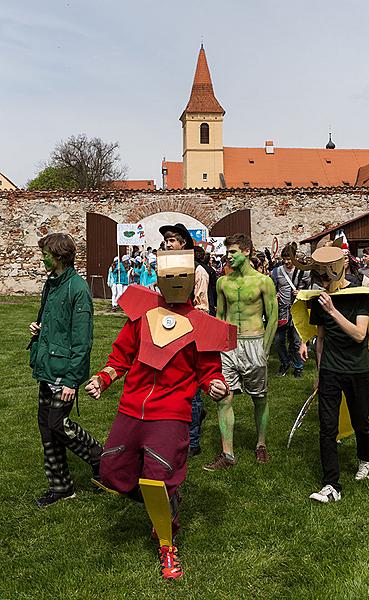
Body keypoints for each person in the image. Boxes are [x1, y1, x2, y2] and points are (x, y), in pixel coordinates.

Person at [85, 249, 235, 580]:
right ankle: (167, 498)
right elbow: (121, 356)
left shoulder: (201, 325)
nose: (174, 285)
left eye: (181, 278)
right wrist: (103, 378)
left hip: (171, 412)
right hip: (131, 408)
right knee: (111, 472)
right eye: (168, 278)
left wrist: (216, 386)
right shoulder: (141, 314)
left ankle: (167, 544)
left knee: (155, 480)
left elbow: (209, 370)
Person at [292, 244, 369, 503]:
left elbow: (359, 335)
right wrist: (319, 372)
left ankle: (367, 459)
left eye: (325, 276)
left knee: (360, 421)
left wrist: (332, 310)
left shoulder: (360, 296)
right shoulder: (320, 300)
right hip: (330, 369)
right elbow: (321, 337)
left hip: (358, 370)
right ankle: (331, 485)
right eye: (318, 277)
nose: (322, 282)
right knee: (327, 428)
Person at [29, 233, 102, 508]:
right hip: (47, 366)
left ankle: (100, 459)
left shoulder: (77, 288)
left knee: (59, 424)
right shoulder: (51, 283)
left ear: (58, 256)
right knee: (47, 430)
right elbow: (53, 321)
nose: (42, 257)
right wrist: (40, 329)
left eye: (45, 253)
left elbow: (82, 339)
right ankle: (61, 487)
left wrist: (72, 380)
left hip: (64, 373)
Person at [204, 233, 278, 470]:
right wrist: (217, 346)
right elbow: (220, 316)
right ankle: (227, 453)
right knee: (224, 396)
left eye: (233, 252)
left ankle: (261, 444)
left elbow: (273, 316)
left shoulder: (263, 281)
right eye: (227, 252)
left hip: (254, 341)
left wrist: (264, 351)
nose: (229, 256)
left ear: (246, 251)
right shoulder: (222, 282)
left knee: (259, 397)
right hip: (229, 345)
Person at [159, 223, 210, 457]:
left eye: (172, 240)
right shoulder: (163, 268)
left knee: (193, 390)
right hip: (167, 332)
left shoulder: (197, 271)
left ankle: (192, 441)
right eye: (166, 241)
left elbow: (203, 308)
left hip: (189, 333)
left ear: (183, 243)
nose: (168, 245)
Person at [271, 245, 310, 378]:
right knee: (278, 340)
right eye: (285, 259)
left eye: (289, 259)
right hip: (282, 311)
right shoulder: (276, 272)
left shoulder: (302, 272)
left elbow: (311, 289)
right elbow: (272, 288)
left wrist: (302, 292)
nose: (287, 262)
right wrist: (274, 294)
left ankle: (298, 366)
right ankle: (285, 363)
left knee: (296, 341)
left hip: (297, 310)